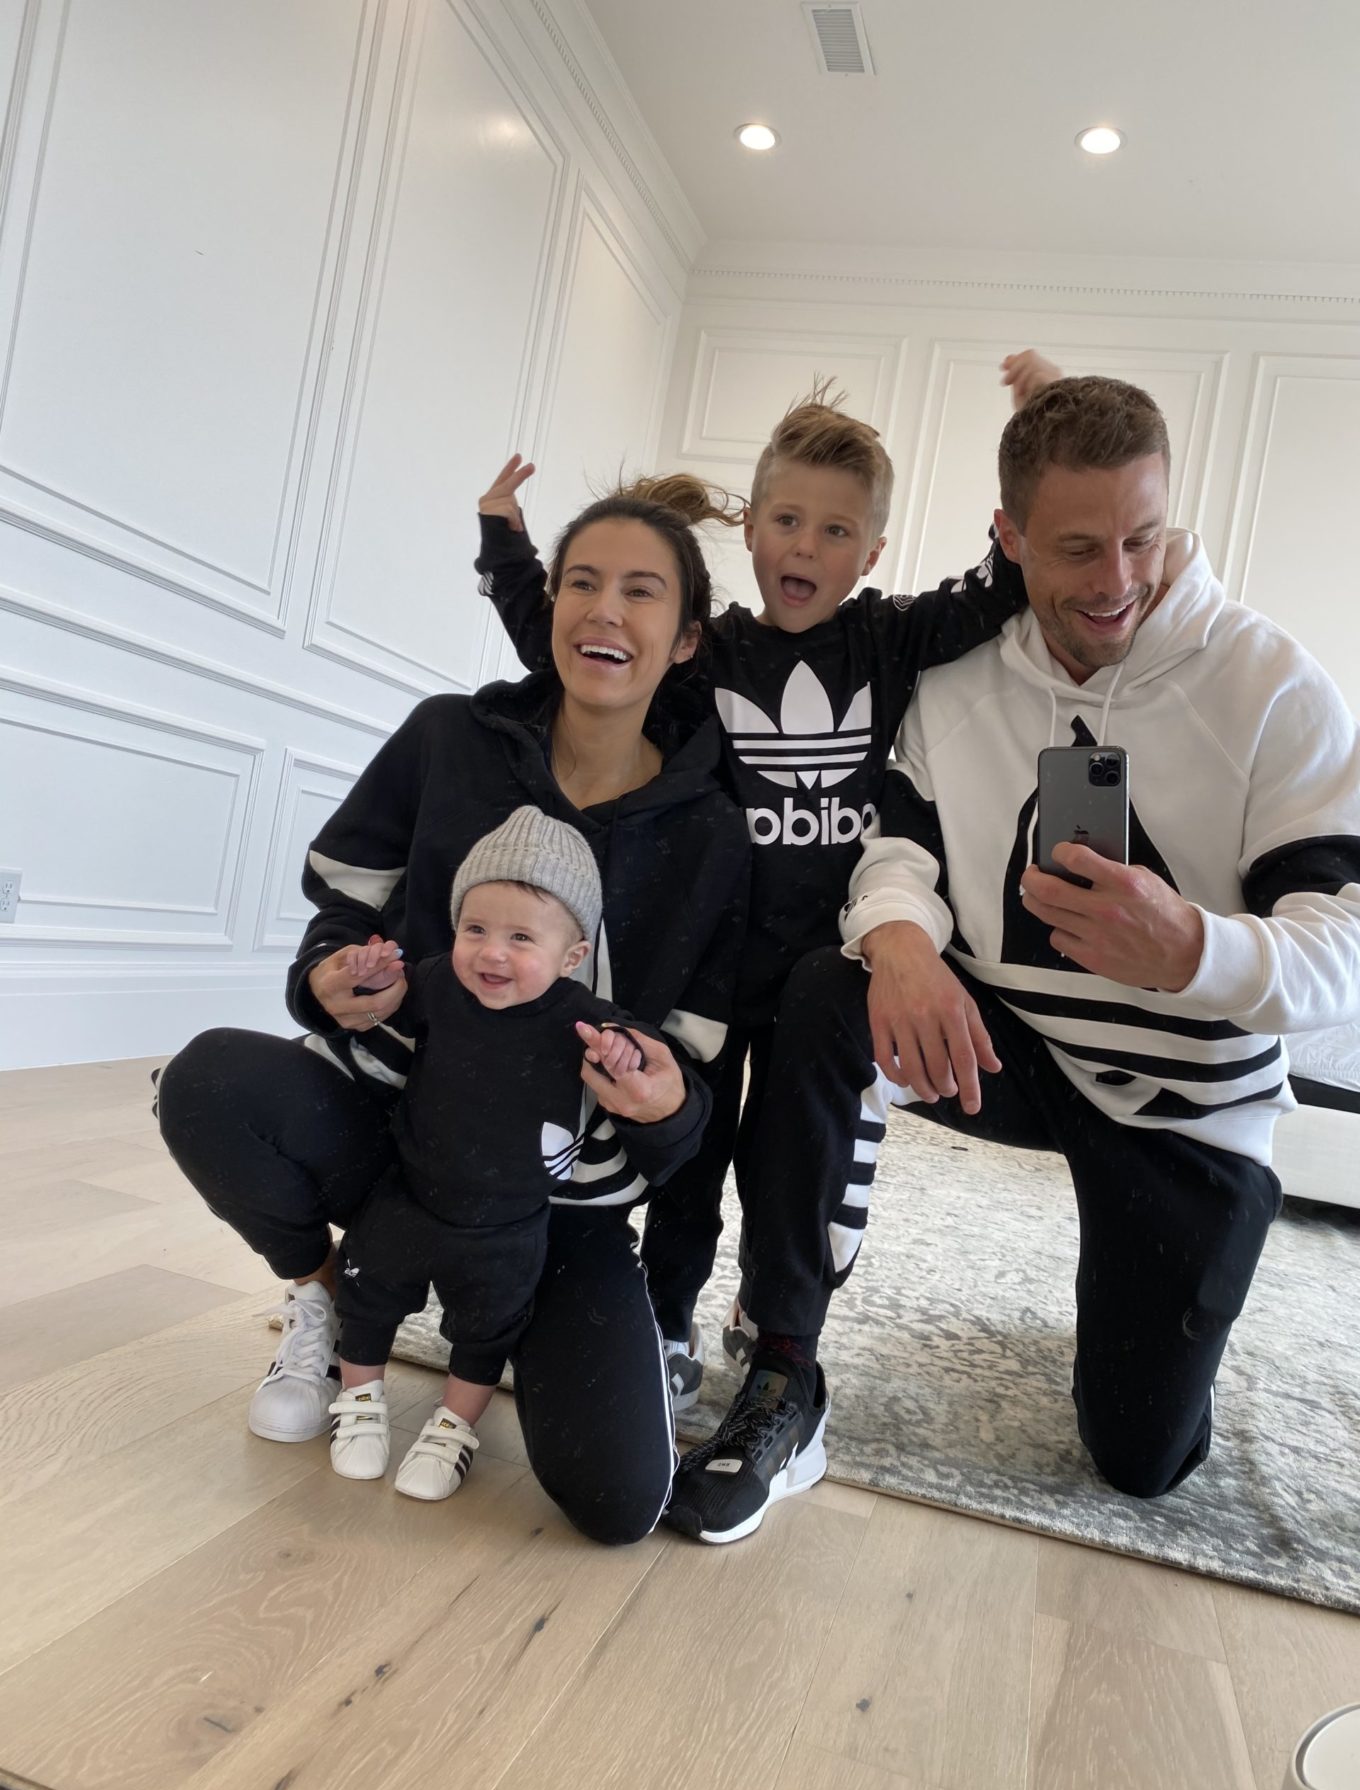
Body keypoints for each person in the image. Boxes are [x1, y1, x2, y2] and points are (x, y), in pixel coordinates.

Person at [666, 359, 1360, 1543]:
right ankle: (785, 1362)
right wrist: (896, 939)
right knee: (825, 989)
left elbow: (1342, 952)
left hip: (1184, 1108)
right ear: (1008, 539)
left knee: (1137, 1459)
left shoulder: (1272, 686)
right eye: (1077, 549)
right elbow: (899, 851)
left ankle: (1146, 1311)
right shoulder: (957, 677)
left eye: (1142, 539)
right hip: (1012, 1049)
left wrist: (1193, 946)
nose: (1118, 582)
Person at [155, 478, 750, 1546]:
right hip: (397, 1147)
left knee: (618, 1499)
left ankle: (496, 1320)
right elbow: (343, 914)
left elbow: (693, 1102)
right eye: (580, 582)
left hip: (556, 1209)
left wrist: (661, 1103)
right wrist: (333, 976)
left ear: (687, 639)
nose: (603, 610)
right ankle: (331, 1295)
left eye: (640, 592)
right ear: (550, 606)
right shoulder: (446, 741)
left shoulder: (713, 836)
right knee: (205, 1080)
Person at [475, 371, 1031, 1402]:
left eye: (835, 532)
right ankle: (668, 1314)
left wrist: (1040, 420)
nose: (805, 548)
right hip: (711, 965)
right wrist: (505, 544)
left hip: (825, 978)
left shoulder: (888, 638)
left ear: (869, 553)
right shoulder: (708, 648)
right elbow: (584, 653)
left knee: (790, 1165)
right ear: (754, 530)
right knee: (689, 1160)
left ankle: (776, 1303)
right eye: (786, 520)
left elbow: (998, 587)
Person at [327, 806, 710, 1501]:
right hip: (411, 1193)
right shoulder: (441, 982)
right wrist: (370, 976)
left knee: (487, 1329)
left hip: (511, 1222)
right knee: (366, 1293)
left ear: (573, 957)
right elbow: (386, 1004)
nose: (492, 952)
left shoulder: (581, 1015)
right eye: (475, 928)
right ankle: (359, 1400)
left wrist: (624, 1053)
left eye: (521, 937)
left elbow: (639, 1053)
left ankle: (452, 1426)